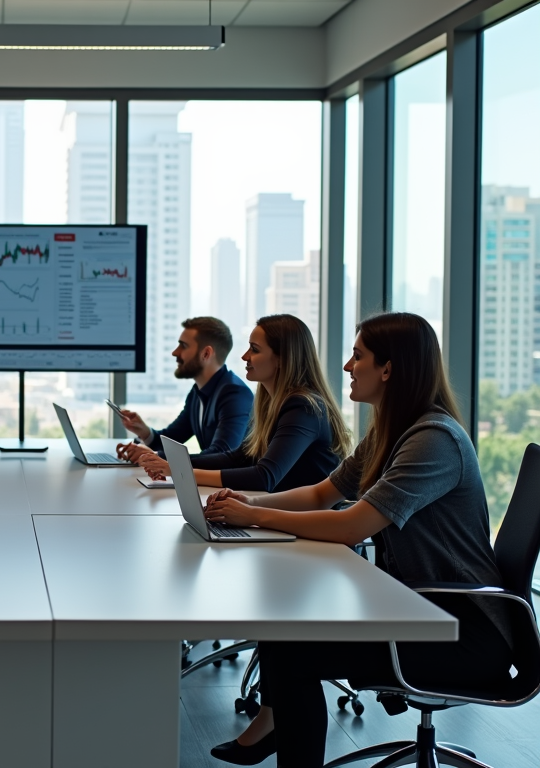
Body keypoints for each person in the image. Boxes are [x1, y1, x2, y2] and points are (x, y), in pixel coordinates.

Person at [203, 312, 514, 767]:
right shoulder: (392, 431)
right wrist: (249, 508)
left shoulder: (433, 439)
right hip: (417, 608)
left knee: (292, 655)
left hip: (464, 634)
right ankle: (273, 734)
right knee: (284, 629)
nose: (347, 367)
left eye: (357, 356)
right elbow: (322, 493)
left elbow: (353, 526)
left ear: (388, 369)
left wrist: (254, 514)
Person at [138, 314, 350, 493]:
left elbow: (264, 477)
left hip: (308, 528)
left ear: (282, 359)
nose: (244, 356)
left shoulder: (303, 407)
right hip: (280, 516)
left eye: (254, 350)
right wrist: (166, 461)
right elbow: (239, 457)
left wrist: (180, 471)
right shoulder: (270, 402)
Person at [115, 317, 253, 465]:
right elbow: (172, 439)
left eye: (183, 346)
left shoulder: (234, 394)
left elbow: (221, 454)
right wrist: (144, 431)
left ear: (206, 354)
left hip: (237, 488)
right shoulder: (197, 393)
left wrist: (155, 456)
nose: (175, 352)